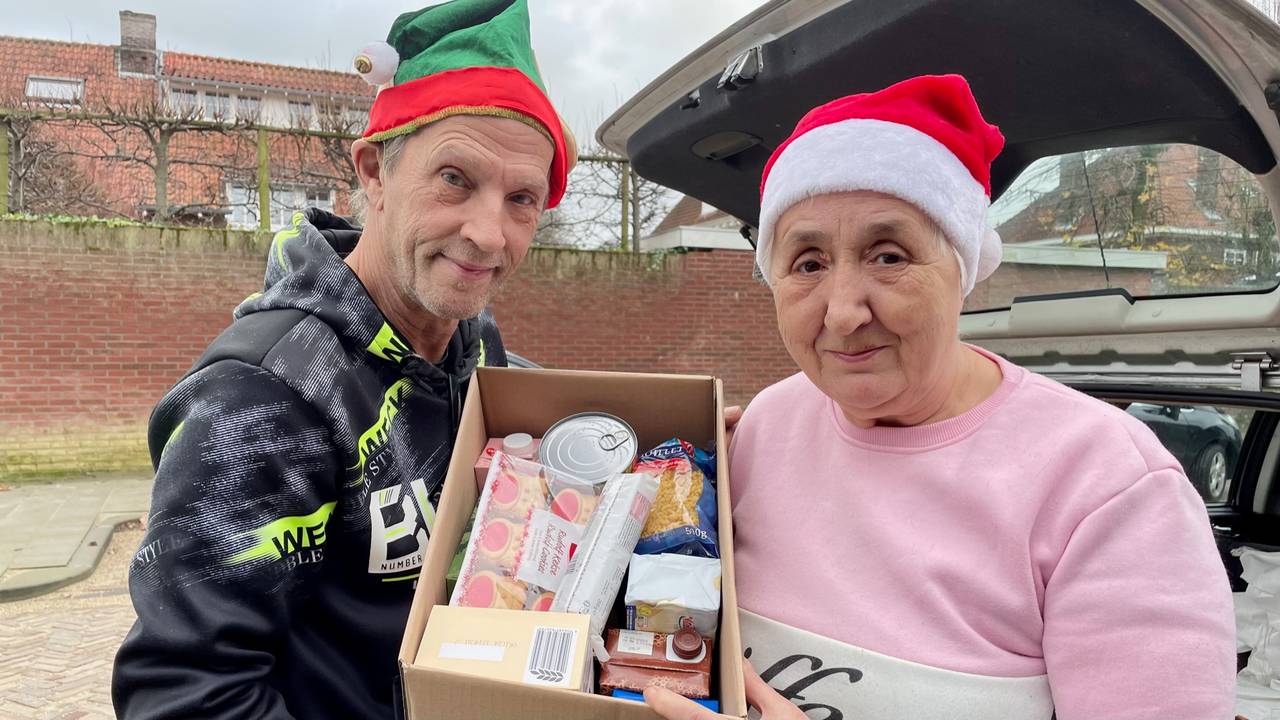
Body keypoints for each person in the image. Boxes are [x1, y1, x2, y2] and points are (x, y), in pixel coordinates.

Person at [647, 75, 1235, 720]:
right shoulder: (768, 424)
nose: (843, 313)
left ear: (963, 267)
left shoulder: (1105, 483)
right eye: (808, 263)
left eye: (888, 256)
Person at [111, 1, 576, 717]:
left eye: (522, 199)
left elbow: (524, 398)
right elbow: (184, 695)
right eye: (455, 179)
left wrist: (669, 440)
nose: (490, 234)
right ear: (375, 171)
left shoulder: (470, 344)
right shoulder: (263, 398)